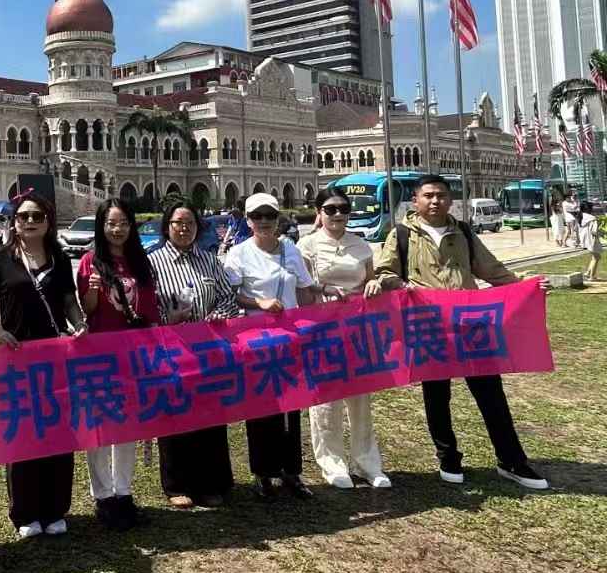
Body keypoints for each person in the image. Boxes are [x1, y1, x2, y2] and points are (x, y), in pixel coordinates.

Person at [368, 174, 549, 490]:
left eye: (441, 195)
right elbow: (385, 271)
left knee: (490, 393)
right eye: (428, 195)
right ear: (415, 200)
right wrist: (401, 285)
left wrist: (525, 286)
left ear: (450, 200)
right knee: (437, 395)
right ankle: (448, 457)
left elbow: (491, 269)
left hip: (470, 325)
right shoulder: (401, 234)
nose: (435, 201)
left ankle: (511, 460)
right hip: (430, 326)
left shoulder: (463, 232)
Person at [0, 190, 86, 538]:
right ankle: (25, 512)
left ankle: (54, 509)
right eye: (23, 216)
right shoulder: (1, 259)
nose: (29, 221)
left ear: (48, 222)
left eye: (37, 216)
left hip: (55, 359)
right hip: (17, 359)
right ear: (14, 222)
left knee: (58, 430)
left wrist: (78, 323)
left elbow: (68, 300)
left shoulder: (59, 258)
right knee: (23, 433)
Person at [147, 197, 240, 509]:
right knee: (175, 418)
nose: (184, 228)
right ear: (167, 227)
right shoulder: (153, 262)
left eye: (190, 223)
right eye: (178, 223)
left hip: (208, 350)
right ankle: (177, 484)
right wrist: (168, 319)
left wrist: (217, 315)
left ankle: (211, 483)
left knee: (210, 416)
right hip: (171, 351)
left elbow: (228, 296)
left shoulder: (209, 260)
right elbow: (146, 308)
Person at [225, 192, 317, 500]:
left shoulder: (290, 249)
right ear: (248, 221)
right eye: (257, 216)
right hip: (257, 342)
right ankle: (263, 472)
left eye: (269, 216)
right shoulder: (238, 253)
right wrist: (258, 302)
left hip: (290, 339)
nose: (264, 222)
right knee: (261, 408)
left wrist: (319, 313)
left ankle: (292, 471)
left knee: (292, 407)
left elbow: (305, 289)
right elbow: (230, 295)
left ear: (278, 219)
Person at [298, 188, 391, 490]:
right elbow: (303, 289)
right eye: (330, 209)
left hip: (356, 329)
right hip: (323, 329)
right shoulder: (307, 245)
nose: (338, 214)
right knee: (326, 399)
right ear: (319, 212)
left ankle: (367, 462)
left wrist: (375, 284)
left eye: (343, 209)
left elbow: (369, 278)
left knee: (360, 397)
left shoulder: (361, 245)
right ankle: (332, 462)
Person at [77, 198, 160, 530]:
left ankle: (123, 492)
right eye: (111, 223)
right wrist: (93, 290)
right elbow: (87, 310)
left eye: (124, 223)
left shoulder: (140, 262)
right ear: (102, 226)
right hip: (99, 357)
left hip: (132, 356)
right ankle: (103, 496)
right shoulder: (90, 261)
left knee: (126, 426)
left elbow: (149, 311)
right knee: (100, 427)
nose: (117, 229)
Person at [578, 200, 602, 282]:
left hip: (585, 239)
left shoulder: (581, 216)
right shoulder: (592, 218)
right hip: (592, 239)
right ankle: (592, 276)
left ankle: (588, 273)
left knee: (594, 257)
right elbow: (594, 231)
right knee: (597, 257)